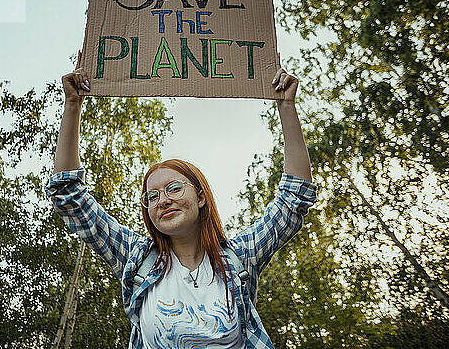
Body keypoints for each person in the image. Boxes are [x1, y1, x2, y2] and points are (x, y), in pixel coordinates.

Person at [46, 51, 318, 349]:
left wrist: (286, 106)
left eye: (174, 188)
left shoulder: (241, 257)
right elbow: (69, 194)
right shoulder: (137, 259)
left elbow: (294, 197)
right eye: (152, 196)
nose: (162, 200)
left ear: (200, 196)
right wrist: (72, 104)